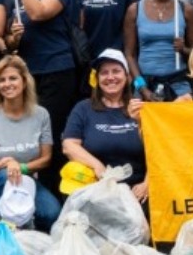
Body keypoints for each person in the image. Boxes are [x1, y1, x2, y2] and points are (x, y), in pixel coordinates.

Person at [1, 0, 82, 192]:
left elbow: (38, 12)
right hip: (29, 74)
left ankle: (54, 197)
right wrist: (13, 38)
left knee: (51, 136)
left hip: (56, 72)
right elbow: (9, 45)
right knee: (30, 137)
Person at [0, 56, 61, 231]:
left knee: (51, 213)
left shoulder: (41, 114)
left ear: (25, 81)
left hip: (25, 180)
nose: (7, 84)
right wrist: (6, 164)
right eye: (2, 80)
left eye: (13, 78)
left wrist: (21, 168)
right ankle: (5, 231)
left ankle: (30, 234)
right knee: (5, 176)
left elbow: (46, 159)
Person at [62, 49, 149, 202]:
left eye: (116, 71)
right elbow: (69, 145)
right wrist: (98, 166)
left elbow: (159, 151)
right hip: (96, 187)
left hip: (137, 189)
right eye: (104, 73)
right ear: (97, 78)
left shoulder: (141, 108)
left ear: (127, 77)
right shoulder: (83, 108)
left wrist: (147, 184)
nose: (110, 77)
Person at [126, 0, 193, 101]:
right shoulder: (135, 10)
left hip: (179, 87)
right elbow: (130, 55)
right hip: (145, 86)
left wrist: (184, 49)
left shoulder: (186, 10)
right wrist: (142, 88)